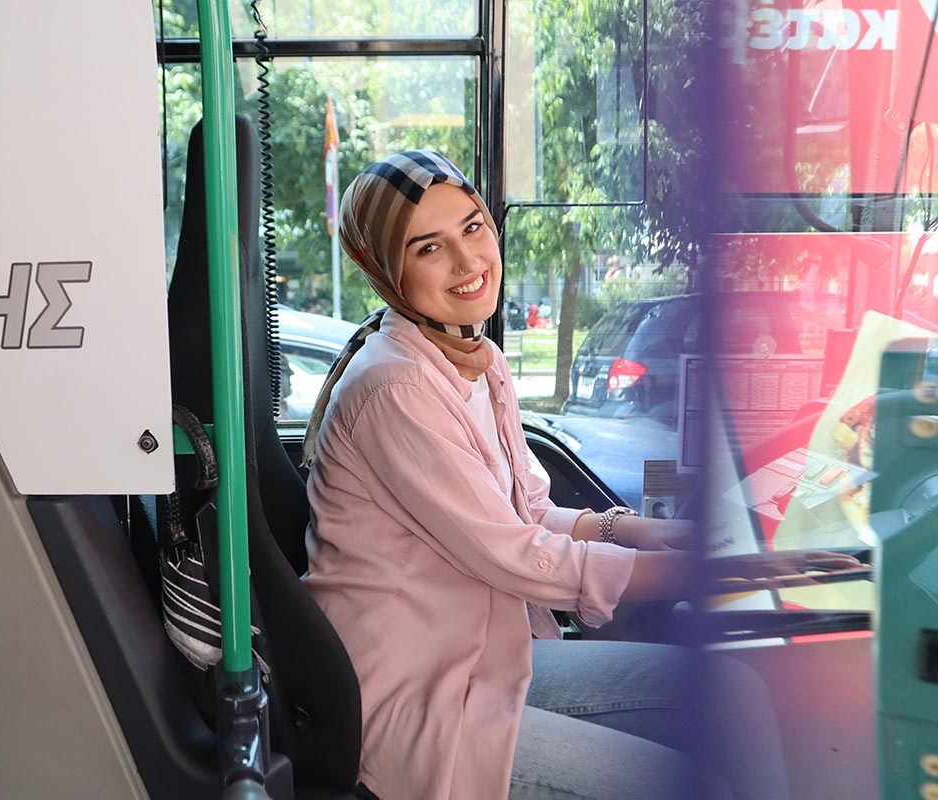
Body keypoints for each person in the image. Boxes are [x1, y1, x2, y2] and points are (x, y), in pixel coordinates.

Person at [300, 151, 859, 800]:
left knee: (733, 695)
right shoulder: (395, 385)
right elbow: (518, 555)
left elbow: (528, 510)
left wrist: (643, 530)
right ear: (384, 269)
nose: (466, 260)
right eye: (429, 247)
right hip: (418, 700)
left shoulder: (473, 357)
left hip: (483, 664)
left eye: (473, 228)